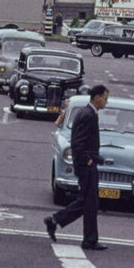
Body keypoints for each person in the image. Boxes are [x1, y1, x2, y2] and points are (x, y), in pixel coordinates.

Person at [44, 84, 109, 252]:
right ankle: (58, 222)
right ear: (97, 98)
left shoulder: (88, 113)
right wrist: (88, 160)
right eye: (105, 98)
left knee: (89, 202)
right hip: (85, 166)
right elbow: (77, 142)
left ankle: (88, 238)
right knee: (88, 202)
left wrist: (96, 158)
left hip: (88, 163)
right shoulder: (88, 115)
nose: (106, 102)